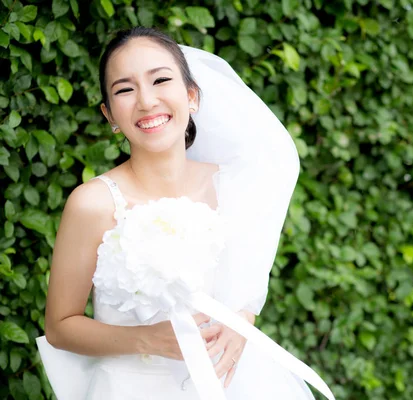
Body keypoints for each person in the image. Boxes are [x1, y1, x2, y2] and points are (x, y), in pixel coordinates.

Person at [36, 27, 334, 400]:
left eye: (160, 80)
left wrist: (243, 320)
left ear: (191, 96)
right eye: (125, 89)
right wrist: (149, 340)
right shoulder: (93, 203)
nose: (146, 101)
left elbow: (244, 283)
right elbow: (60, 327)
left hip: (236, 383)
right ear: (109, 114)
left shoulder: (230, 187)